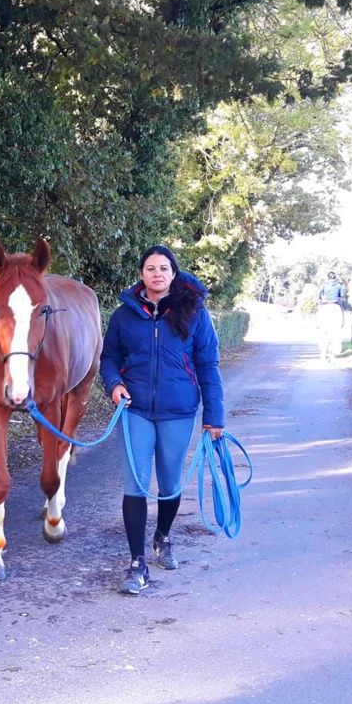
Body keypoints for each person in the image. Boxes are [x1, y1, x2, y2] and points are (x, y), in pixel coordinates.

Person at [100, 245, 225, 595]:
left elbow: (208, 366)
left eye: (164, 268)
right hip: (135, 409)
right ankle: (137, 563)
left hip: (178, 411)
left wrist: (214, 416)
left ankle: (163, 536)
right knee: (135, 484)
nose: (157, 273)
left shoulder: (194, 313)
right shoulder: (123, 315)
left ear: (173, 274)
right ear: (141, 273)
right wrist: (114, 384)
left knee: (170, 485)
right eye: (151, 268)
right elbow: (109, 357)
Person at [316, 271, 345, 361]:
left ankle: (323, 354)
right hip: (335, 306)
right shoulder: (339, 285)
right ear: (335, 277)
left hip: (325, 306)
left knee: (323, 331)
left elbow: (318, 294)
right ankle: (332, 354)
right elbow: (342, 295)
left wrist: (320, 299)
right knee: (335, 332)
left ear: (328, 278)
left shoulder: (324, 284)